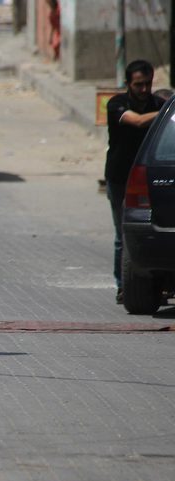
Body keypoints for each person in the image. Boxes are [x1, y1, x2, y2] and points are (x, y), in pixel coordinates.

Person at [105, 59, 166, 304]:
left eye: (147, 84)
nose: (143, 89)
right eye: (138, 84)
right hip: (121, 179)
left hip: (151, 180)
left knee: (152, 231)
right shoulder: (117, 104)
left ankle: (156, 284)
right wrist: (167, 110)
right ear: (128, 84)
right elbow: (138, 121)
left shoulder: (157, 104)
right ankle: (123, 286)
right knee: (123, 234)